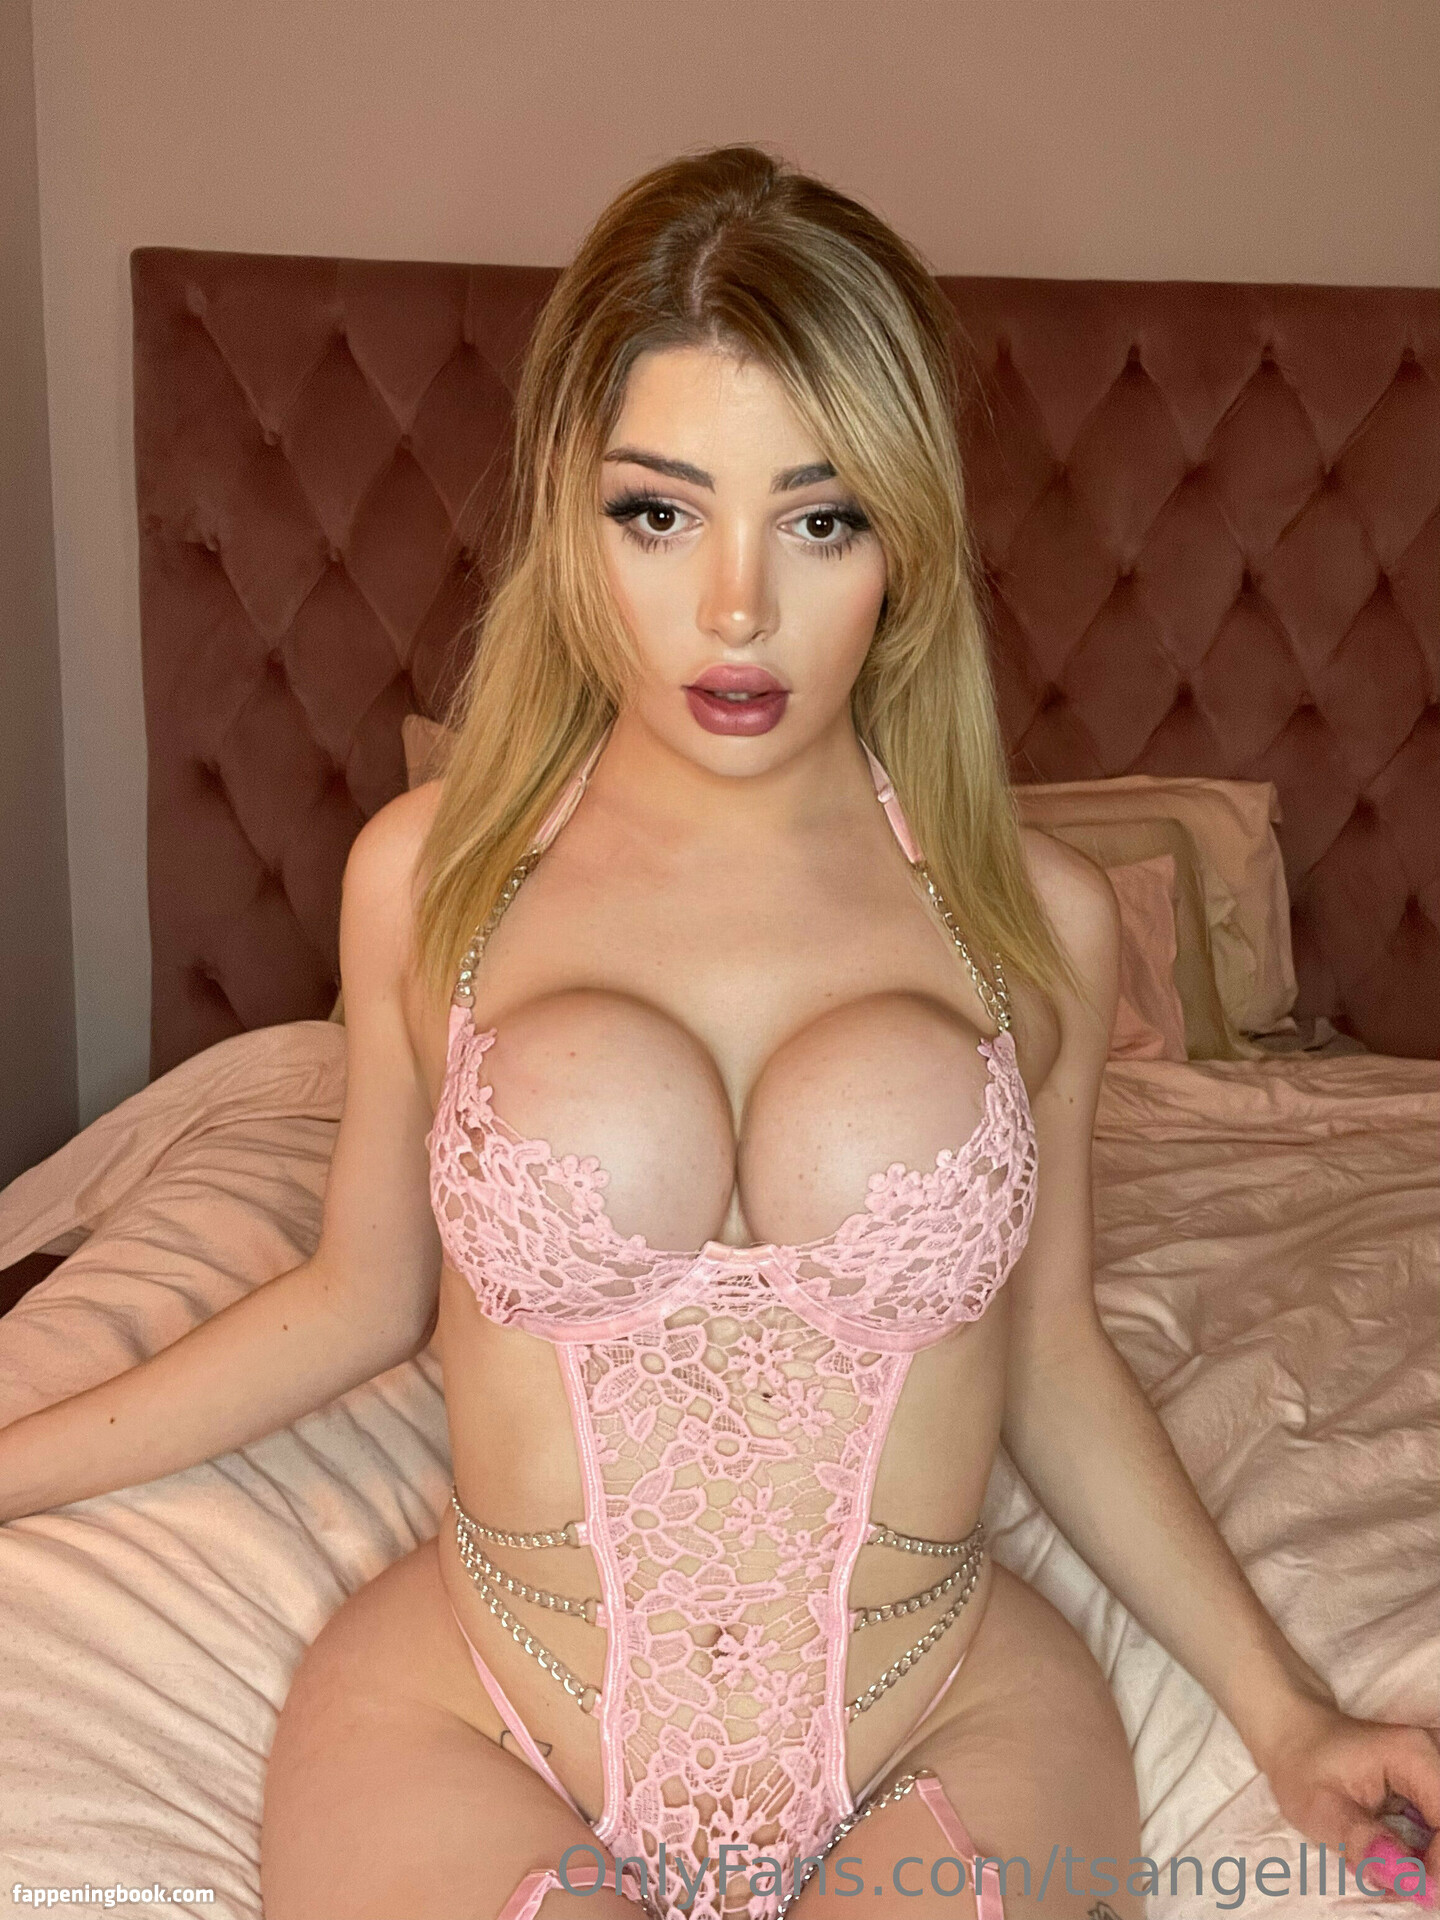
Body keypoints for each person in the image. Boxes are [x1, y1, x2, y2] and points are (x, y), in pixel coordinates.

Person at [4, 145, 1435, 1920]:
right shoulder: (430, 880)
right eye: (660, 513)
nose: (738, 607)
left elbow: (1053, 1355)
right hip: (480, 1711)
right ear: (571, 515)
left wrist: (1286, 1714)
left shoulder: (1039, 921)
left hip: (945, 1719)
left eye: (820, 519)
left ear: (907, 538)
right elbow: (355, 1298)